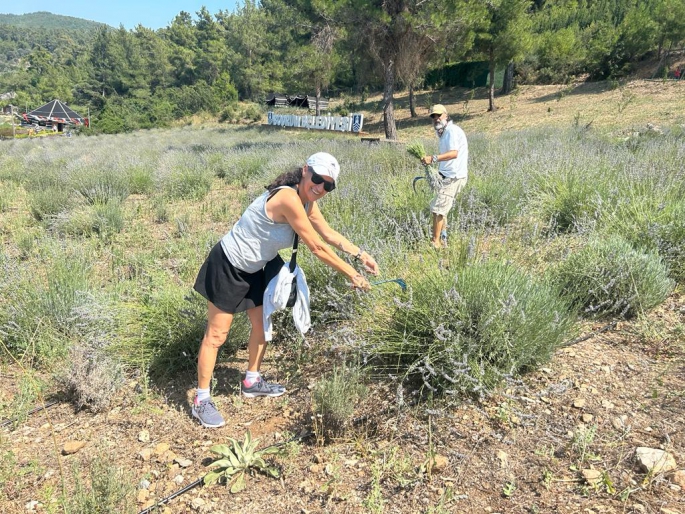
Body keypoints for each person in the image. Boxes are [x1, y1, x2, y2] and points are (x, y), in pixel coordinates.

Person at [191, 152, 380, 428]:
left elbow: (328, 234)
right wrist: (352, 274)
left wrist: (360, 254)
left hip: (255, 267)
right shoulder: (288, 198)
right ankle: (201, 399)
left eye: (328, 185)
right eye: (317, 179)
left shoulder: (306, 201)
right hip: (229, 264)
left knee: (261, 326)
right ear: (305, 171)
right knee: (217, 335)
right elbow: (316, 247)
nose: (320, 188)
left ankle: (252, 381)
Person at [420, 104, 468, 249]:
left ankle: (435, 243)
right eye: (433, 117)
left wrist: (433, 158)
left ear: (446, 115)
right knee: (441, 209)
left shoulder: (451, 131)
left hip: (454, 177)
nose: (436, 119)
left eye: (439, 115)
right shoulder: (443, 132)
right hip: (446, 176)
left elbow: (454, 153)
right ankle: (443, 239)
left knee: (438, 209)